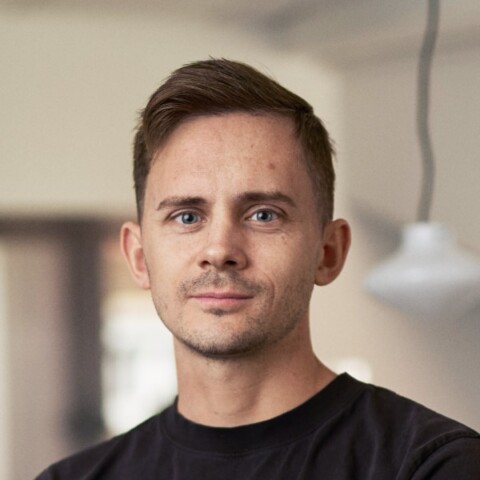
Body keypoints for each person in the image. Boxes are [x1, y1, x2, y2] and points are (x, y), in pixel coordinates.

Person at [36, 58, 480, 479]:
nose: (220, 249)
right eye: (187, 216)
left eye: (263, 214)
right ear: (138, 256)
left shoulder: (434, 466)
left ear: (328, 252)